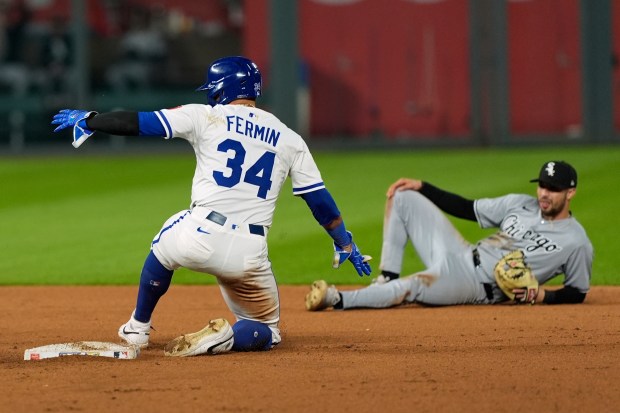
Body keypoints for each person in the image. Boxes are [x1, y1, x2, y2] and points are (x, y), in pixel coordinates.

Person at [51, 56, 371, 356]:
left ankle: (137, 328)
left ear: (221, 89)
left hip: (199, 235)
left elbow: (140, 123)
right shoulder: (289, 138)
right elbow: (319, 201)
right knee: (268, 330)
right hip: (250, 253)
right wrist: (345, 242)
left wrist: (92, 120)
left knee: (164, 244)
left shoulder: (206, 116)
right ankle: (228, 337)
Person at [305, 161, 593, 311]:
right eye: (542, 185)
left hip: (477, 285)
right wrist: (423, 186)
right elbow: (468, 208)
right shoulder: (522, 203)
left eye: (553, 188)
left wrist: (543, 295)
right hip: (462, 252)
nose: (544, 193)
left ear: (571, 193)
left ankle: (336, 299)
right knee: (404, 196)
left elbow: (577, 292)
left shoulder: (576, 242)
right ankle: (387, 277)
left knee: (415, 286)